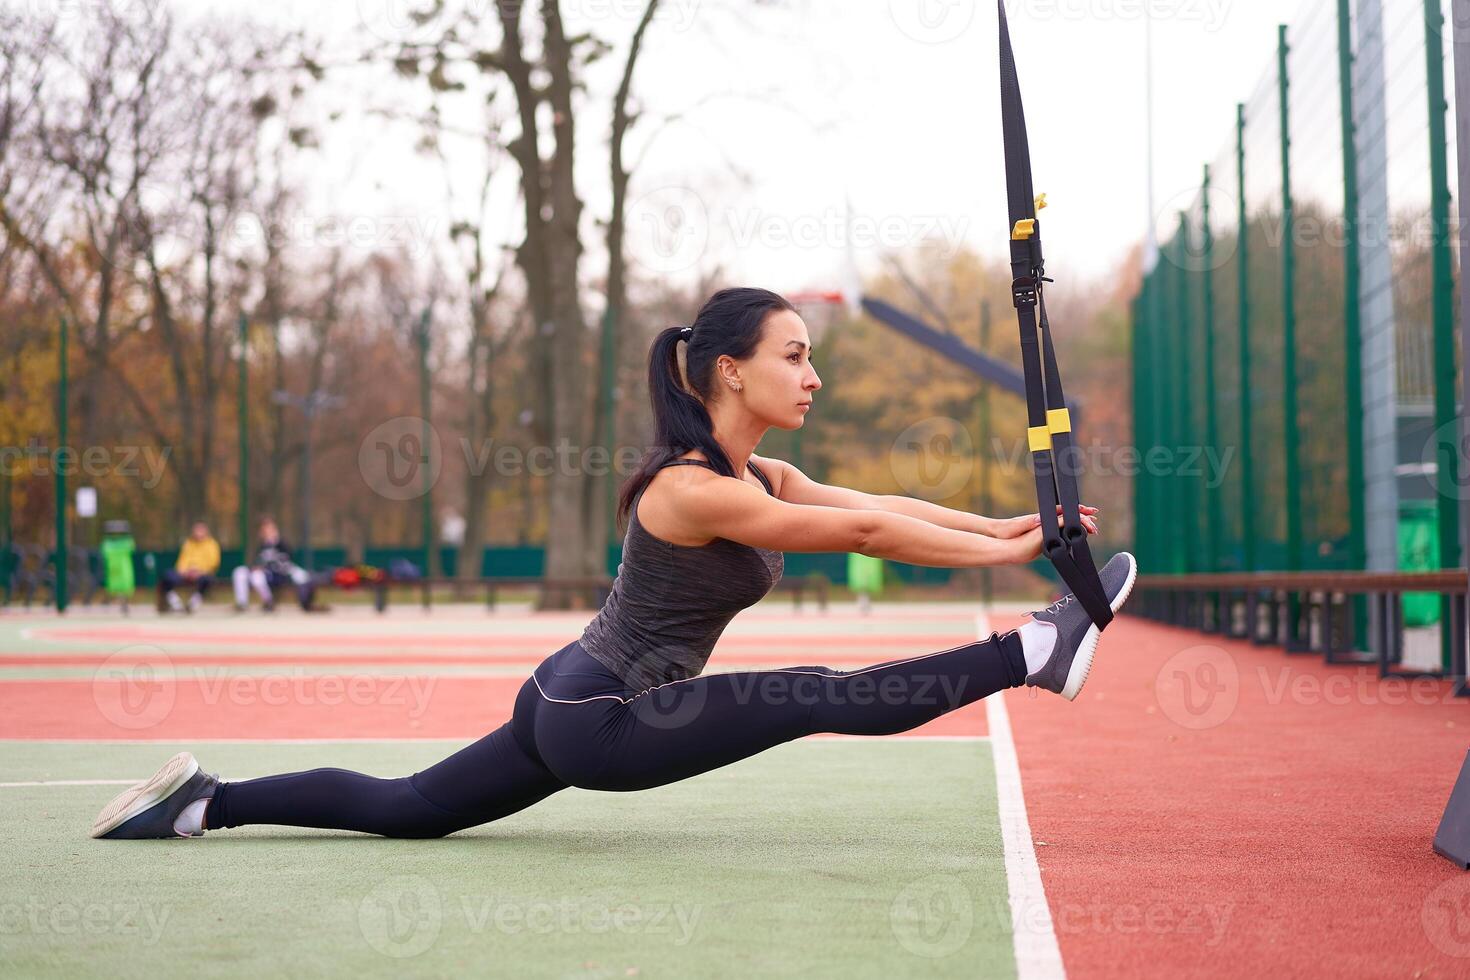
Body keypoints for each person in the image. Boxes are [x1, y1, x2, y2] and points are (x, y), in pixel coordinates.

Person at [90, 287, 1134, 841]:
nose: (814, 371)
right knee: (819, 690)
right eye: (796, 353)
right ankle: (1035, 648)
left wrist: (1009, 529)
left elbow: (875, 505)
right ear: (732, 368)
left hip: (566, 692)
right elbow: (865, 539)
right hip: (604, 716)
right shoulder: (694, 488)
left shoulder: (758, 469)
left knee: (411, 806)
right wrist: (1017, 565)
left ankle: (202, 801)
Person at [230, 517, 314, 612]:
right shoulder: (261, 545)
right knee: (239, 571)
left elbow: (285, 564)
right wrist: (256, 567)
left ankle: (269, 602)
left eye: (269, 529)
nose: (267, 532)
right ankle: (242, 603)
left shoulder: (282, 544)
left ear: (275, 530)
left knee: (256, 576)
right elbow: (256, 562)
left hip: (276, 575)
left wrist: (266, 566)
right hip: (262, 573)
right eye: (264, 530)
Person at [159, 521, 220, 614]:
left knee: (207, 580)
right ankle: (175, 603)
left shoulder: (212, 544)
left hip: (202, 574)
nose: (198, 533)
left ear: (206, 532)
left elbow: (213, 563)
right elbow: (182, 560)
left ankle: (193, 603)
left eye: (200, 531)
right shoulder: (188, 543)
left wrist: (199, 571)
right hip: (185, 573)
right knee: (167, 575)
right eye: (196, 531)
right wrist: (184, 571)